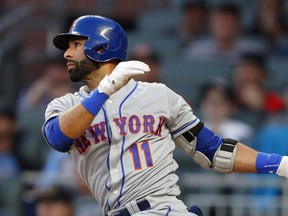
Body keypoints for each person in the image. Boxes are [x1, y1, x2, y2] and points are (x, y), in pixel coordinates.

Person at [42, 15, 288, 216]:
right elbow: (58, 137)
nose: (67, 54)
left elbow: (213, 151)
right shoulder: (65, 105)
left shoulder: (158, 95)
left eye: (76, 45)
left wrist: (278, 164)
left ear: (102, 47)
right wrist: (105, 90)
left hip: (161, 210)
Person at [182, 2, 266, 63]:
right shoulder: (195, 50)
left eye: (228, 22)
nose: (223, 26)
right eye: (219, 22)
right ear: (211, 25)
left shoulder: (254, 49)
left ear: (238, 25)